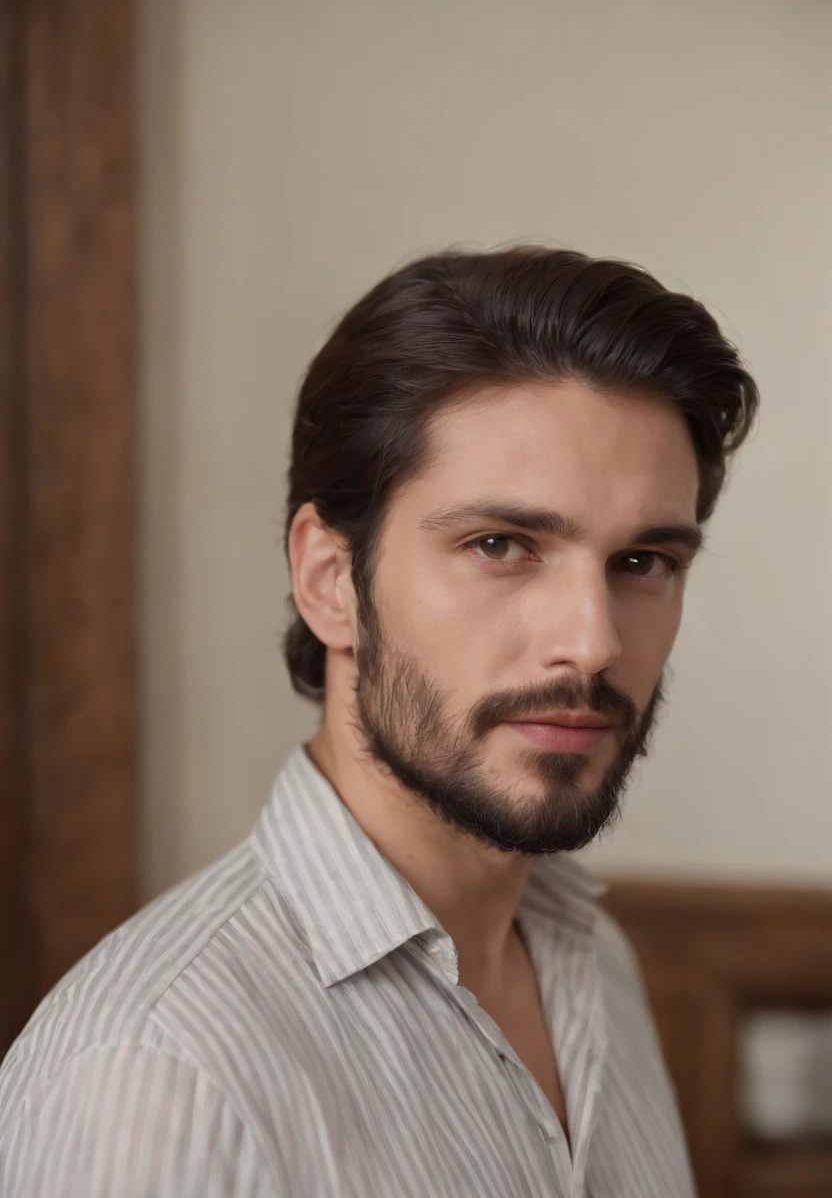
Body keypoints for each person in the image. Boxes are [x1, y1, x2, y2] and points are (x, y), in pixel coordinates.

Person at [0, 247, 758, 1197]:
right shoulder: (158, 1076)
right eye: (500, 545)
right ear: (329, 581)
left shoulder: (595, 964)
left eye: (643, 561)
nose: (592, 644)